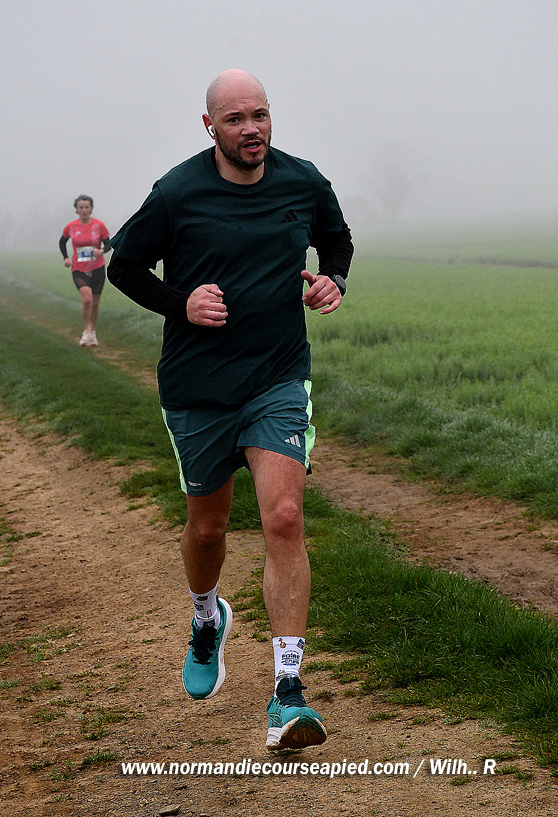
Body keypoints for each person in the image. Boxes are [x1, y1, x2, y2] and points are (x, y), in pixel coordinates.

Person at [107, 70, 353, 751]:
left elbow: (336, 238)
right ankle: (206, 615)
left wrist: (333, 279)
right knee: (208, 527)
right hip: (198, 386)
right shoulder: (177, 193)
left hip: (277, 377)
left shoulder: (302, 180)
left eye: (260, 115)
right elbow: (124, 267)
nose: (252, 129)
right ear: (209, 125)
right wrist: (180, 303)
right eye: (236, 119)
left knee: (284, 516)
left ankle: (287, 692)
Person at [59, 195, 111, 346]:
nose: (84, 210)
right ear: (76, 210)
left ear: (91, 209)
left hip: (97, 267)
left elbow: (109, 244)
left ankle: (93, 332)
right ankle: (86, 331)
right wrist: (66, 258)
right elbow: (62, 242)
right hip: (79, 268)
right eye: (81, 207)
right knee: (87, 299)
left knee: (94, 303)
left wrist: (101, 251)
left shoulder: (99, 225)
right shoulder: (71, 227)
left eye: (87, 207)